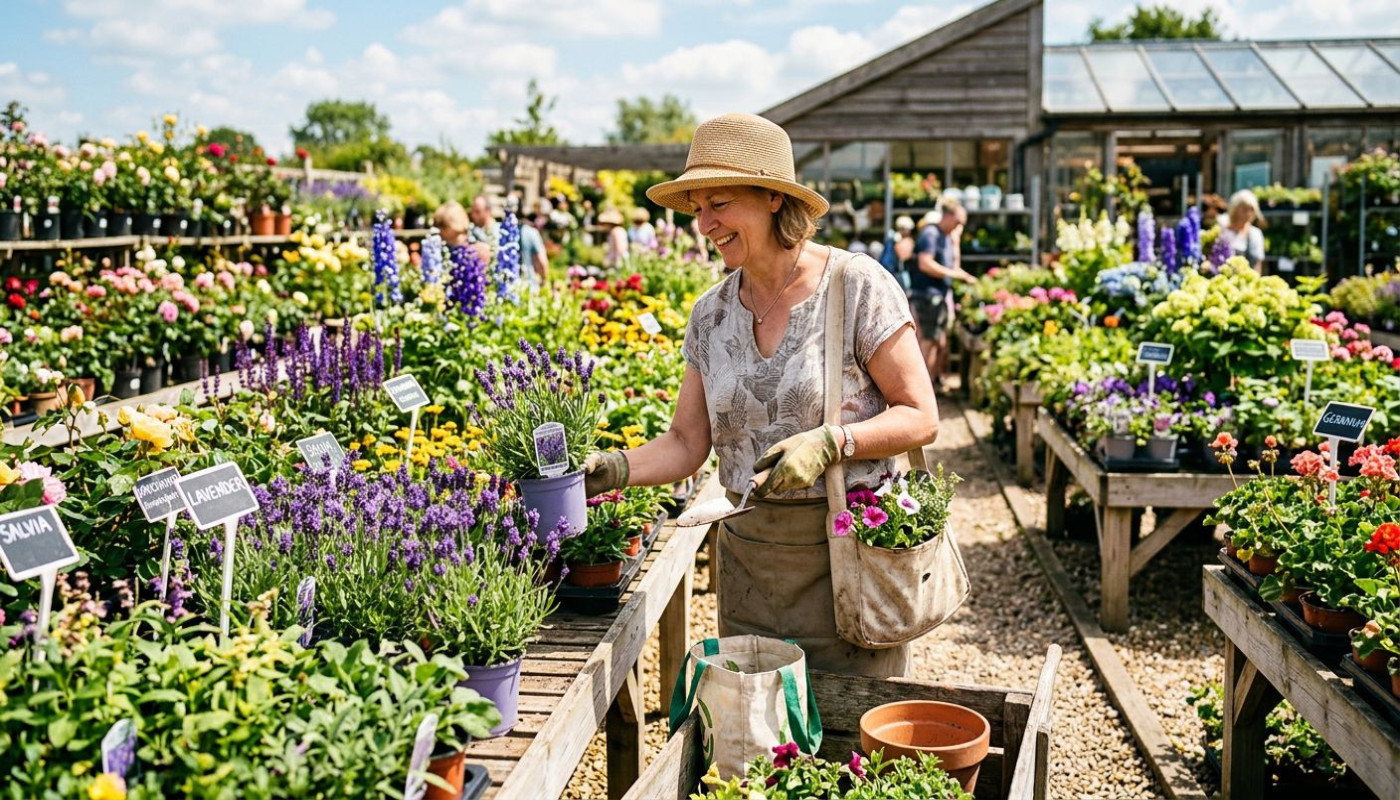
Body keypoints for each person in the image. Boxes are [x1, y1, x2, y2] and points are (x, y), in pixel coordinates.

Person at [582, 112, 939, 677]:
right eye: (698, 209)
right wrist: (609, 469)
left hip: (847, 557)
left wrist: (833, 442)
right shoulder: (711, 314)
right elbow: (685, 442)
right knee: (758, 741)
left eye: (718, 204)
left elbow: (921, 416)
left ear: (773, 198)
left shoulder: (855, 286)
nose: (705, 224)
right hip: (748, 560)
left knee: (851, 744)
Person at [911, 198, 975, 391]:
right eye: (958, 222)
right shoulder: (931, 234)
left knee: (940, 342)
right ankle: (920, 389)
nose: (960, 226)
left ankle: (928, 384)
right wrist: (954, 274)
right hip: (927, 296)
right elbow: (925, 263)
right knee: (928, 341)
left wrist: (955, 242)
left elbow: (953, 263)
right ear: (947, 216)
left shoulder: (946, 237)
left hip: (938, 295)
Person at [1220, 189, 1266, 271]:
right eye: (1244, 209)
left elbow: (1258, 265)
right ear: (1235, 209)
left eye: (1251, 209)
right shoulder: (1223, 231)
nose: (1248, 213)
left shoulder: (1255, 234)